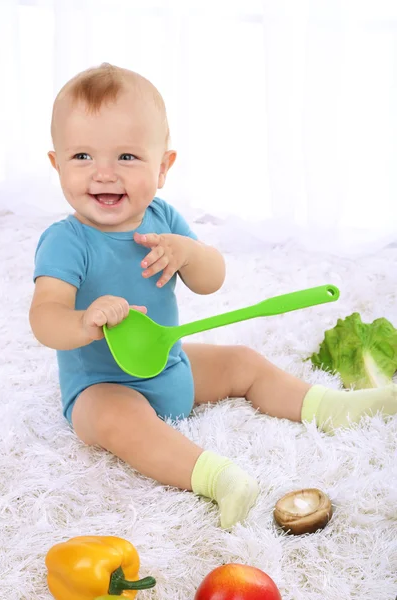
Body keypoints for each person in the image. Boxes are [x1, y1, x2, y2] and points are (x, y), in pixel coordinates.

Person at [29, 63, 397, 529]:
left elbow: (212, 280)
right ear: (56, 163)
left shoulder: (163, 217)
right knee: (121, 421)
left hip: (172, 364)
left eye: (126, 157)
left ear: (163, 167)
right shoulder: (67, 241)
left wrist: (190, 254)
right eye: (82, 156)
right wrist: (84, 321)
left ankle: (330, 407)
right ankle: (217, 476)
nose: (104, 174)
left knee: (242, 360)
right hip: (103, 387)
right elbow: (44, 317)